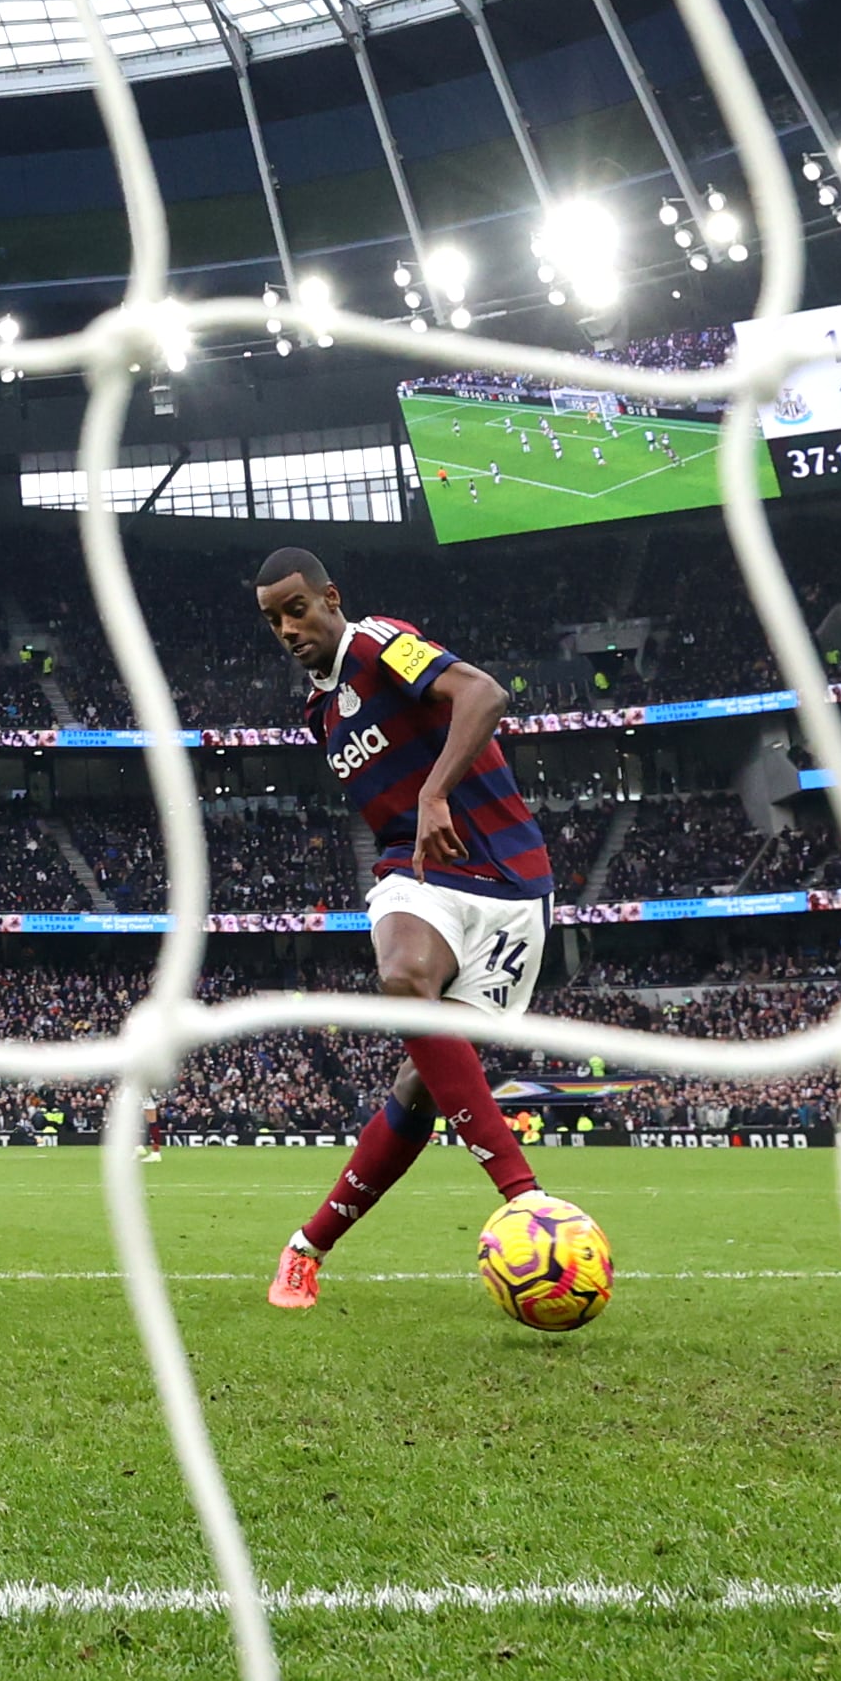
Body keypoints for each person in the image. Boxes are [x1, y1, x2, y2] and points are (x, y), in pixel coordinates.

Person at [248, 548, 565, 1311]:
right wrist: (418, 819)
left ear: (332, 598)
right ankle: (527, 1200)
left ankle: (305, 1247)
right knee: (401, 976)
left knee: (420, 1088)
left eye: (297, 608)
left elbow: (483, 694)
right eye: (272, 620)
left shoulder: (382, 642)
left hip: (513, 885)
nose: (287, 628)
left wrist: (434, 792)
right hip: (418, 874)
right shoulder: (317, 715)